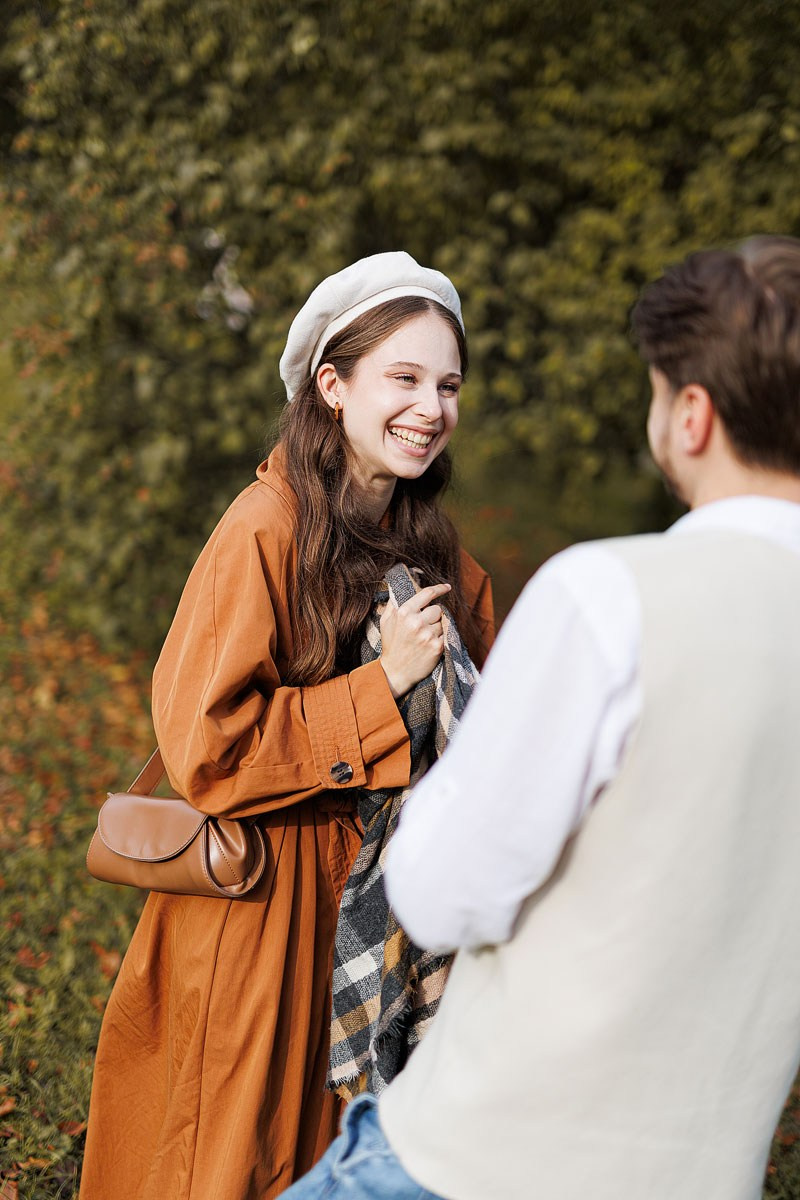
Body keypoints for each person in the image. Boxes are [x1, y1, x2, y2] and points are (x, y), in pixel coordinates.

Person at [282, 233, 800, 1200]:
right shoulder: (272, 530)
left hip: (483, 1159)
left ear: (691, 415)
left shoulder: (611, 596)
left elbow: (440, 889)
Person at [79, 252, 494, 1200]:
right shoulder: (266, 527)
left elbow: (499, 720)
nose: (430, 406)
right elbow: (209, 751)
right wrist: (382, 687)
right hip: (261, 915)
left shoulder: (434, 548)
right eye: (403, 377)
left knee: (338, 1164)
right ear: (332, 385)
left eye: (448, 384)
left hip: (377, 918)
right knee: (227, 1164)